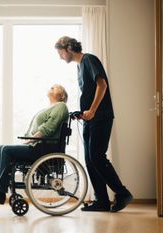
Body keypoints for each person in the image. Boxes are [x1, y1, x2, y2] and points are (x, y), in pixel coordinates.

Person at [55, 36, 133, 212]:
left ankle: (122, 193)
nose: (60, 57)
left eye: (60, 52)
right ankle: (102, 201)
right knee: (90, 159)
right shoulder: (79, 66)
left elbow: (102, 85)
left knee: (97, 156)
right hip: (91, 118)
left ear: (68, 48)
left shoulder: (89, 59)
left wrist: (93, 110)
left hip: (101, 117)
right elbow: (89, 93)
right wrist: (83, 113)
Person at [0, 84, 69, 205]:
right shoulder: (49, 108)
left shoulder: (61, 106)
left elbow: (48, 128)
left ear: (61, 95)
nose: (51, 87)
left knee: (6, 150)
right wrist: (28, 139)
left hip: (43, 148)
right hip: (38, 145)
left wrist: (31, 139)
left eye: (54, 87)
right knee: (1, 148)